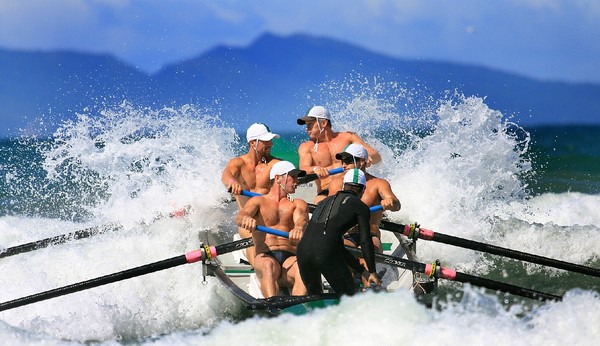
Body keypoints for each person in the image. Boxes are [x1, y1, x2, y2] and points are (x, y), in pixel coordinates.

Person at [297, 168, 381, 297]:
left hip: (302, 251)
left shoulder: (323, 202)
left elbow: (337, 246)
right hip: (325, 251)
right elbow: (365, 240)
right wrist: (372, 271)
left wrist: (363, 272)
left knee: (315, 299)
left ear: (343, 186)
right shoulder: (361, 207)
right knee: (348, 297)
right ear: (363, 190)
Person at [235, 161, 309, 298]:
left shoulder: (297, 203)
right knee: (269, 265)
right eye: (293, 177)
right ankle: (273, 308)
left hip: (290, 260)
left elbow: (302, 219)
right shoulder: (258, 201)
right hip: (266, 256)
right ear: (278, 178)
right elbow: (240, 216)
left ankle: (298, 309)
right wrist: (246, 219)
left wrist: (298, 228)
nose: (297, 182)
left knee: (302, 268)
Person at [222, 123, 281, 266]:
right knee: (254, 240)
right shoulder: (238, 163)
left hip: (271, 220)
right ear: (253, 142)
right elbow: (226, 174)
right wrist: (232, 182)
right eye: (266, 141)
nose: (271, 144)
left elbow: (288, 174)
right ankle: (258, 267)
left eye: (270, 140)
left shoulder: (274, 164)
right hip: (248, 221)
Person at [328, 143, 401, 254]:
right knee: (343, 254)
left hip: (371, 235)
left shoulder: (379, 183)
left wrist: (391, 202)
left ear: (362, 161)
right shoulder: (336, 183)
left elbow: (397, 206)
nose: (343, 165)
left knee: (368, 255)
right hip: (347, 235)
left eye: (348, 161)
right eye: (342, 161)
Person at [296, 106, 382, 199]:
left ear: (323, 123)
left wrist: (368, 158)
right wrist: (315, 169)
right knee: (319, 202)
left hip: (355, 187)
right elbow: (303, 169)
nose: (306, 128)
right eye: (306, 125)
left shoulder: (348, 137)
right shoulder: (306, 147)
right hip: (326, 191)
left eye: (310, 124)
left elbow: (377, 157)